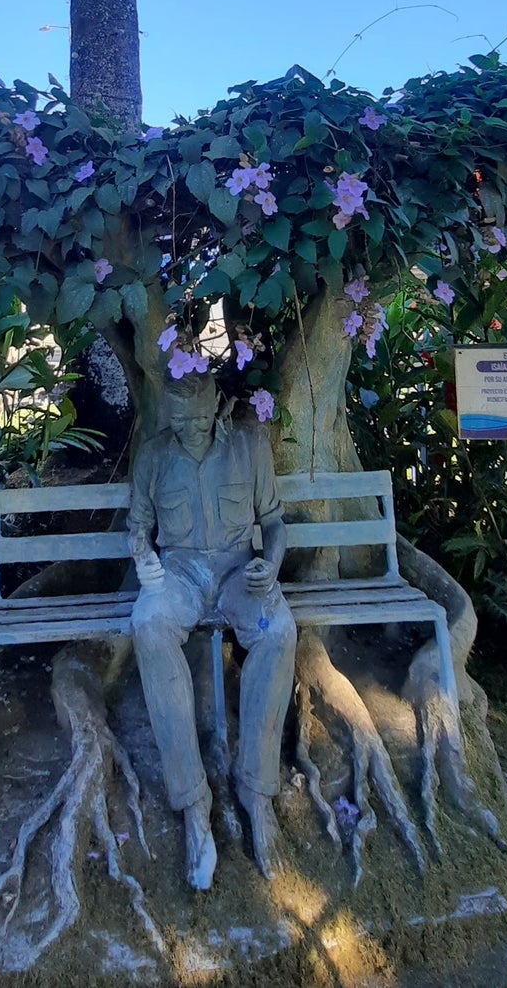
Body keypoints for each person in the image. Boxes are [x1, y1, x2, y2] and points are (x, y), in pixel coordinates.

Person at [128, 371, 296, 887]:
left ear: (217, 405)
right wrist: (144, 562)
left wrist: (271, 563)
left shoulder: (249, 447)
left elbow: (273, 521)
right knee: (147, 622)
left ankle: (255, 789)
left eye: (200, 417)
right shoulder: (153, 456)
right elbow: (138, 529)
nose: (191, 427)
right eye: (180, 420)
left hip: (236, 573)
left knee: (278, 630)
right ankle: (193, 801)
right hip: (179, 575)